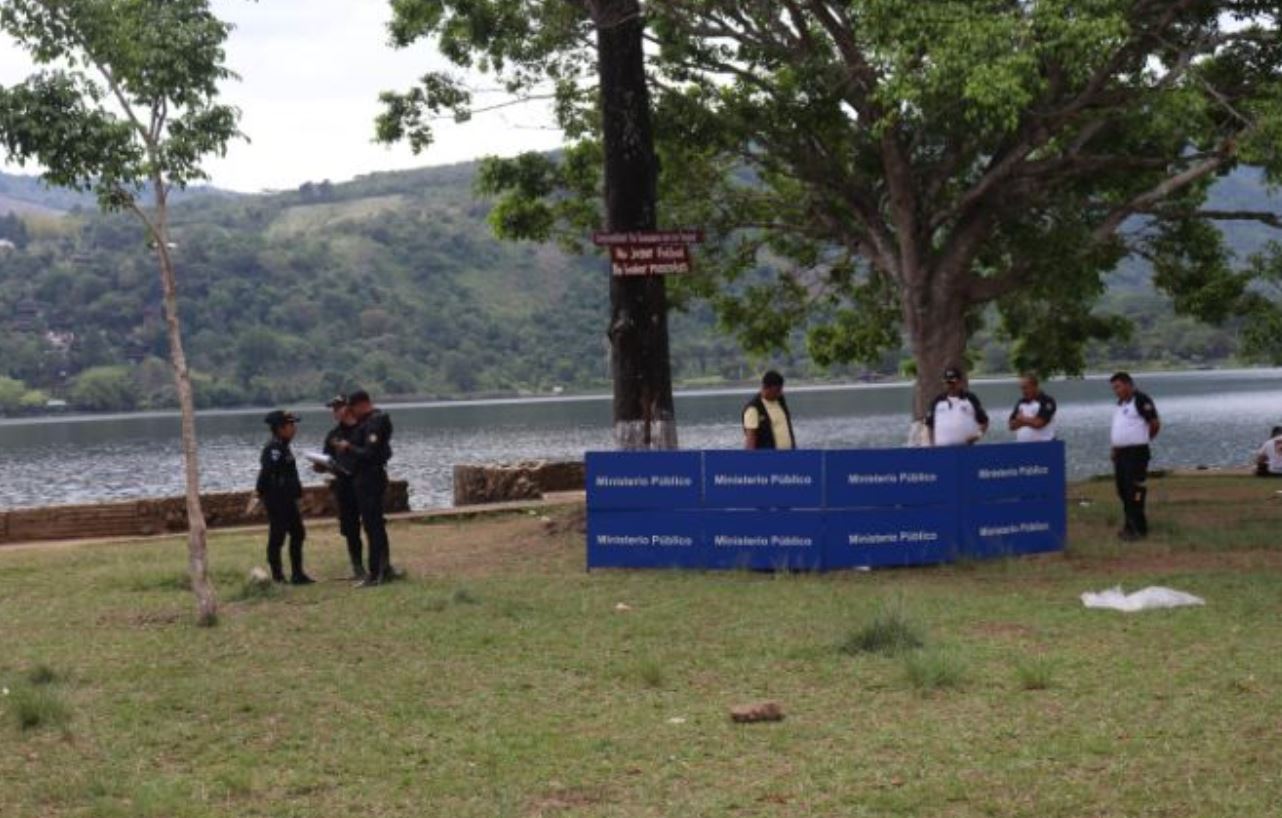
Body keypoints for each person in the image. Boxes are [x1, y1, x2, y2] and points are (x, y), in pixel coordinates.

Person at [335, 389, 394, 587]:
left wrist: (348, 448)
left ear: (362, 404)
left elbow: (370, 453)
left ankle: (376, 572)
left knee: (373, 526)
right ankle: (381, 569)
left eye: (353, 409)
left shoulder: (376, 421)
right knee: (373, 525)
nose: (353, 414)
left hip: (370, 478)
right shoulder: (365, 423)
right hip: (363, 478)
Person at [256, 410, 314, 585]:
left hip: (287, 499)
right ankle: (278, 576)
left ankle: (297, 574)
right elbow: (266, 473)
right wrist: (259, 494)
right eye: (291, 425)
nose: (294, 429)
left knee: (298, 533)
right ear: (280, 428)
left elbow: (289, 474)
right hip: (277, 499)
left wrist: (298, 493)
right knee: (277, 536)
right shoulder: (273, 448)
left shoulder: (283, 446)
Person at [319, 395, 366, 579]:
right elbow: (326, 459)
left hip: (364, 484)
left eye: (338, 407)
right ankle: (357, 567)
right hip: (344, 487)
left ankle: (380, 564)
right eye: (333, 408)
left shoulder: (364, 429)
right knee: (350, 528)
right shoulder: (333, 435)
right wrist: (319, 466)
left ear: (348, 407)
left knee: (373, 525)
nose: (335, 412)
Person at [1109, 372, 1161, 541]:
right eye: (1114, 388)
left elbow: (1154, 424)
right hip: (1121, 454)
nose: (1115, 390)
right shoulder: (1120, 404)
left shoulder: (1141, 400)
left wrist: (1143, 440)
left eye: (1118, 387)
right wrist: (1116, 448)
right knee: (1122, 490)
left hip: (1136, 453)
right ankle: (1129, 525)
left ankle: (1139, 528)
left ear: (1128, 384)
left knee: (1135, 490)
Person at [925, 367, 989, 446]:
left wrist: (977, 436)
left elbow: (984, 422)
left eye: (953, 382)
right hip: (942, 451)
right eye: (948, 383)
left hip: (966, 450)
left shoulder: (970, 399)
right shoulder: (937, 401)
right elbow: (929, 425)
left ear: (960, 382)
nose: (950, 386)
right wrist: (932, 445)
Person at [743, 370, 795, 450]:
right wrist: (750, 461)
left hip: (789, 457)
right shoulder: (753, 409)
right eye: (777, 390)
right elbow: (751, 439)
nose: (780, 393)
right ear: (765, 388)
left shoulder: (780, 401)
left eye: (781, 389)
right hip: (768, 459)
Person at [1008, 374, 1058, 442]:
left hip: (1044, 445)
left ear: (1035, 386)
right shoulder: (1021, 402)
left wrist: (1022, 420)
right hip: (1022, 446)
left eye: (1025, 388)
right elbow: (1011, 425)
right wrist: (1029, 422)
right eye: (1022, 388)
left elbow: (1039, 423)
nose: (1023, 391)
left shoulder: (1047, 401)